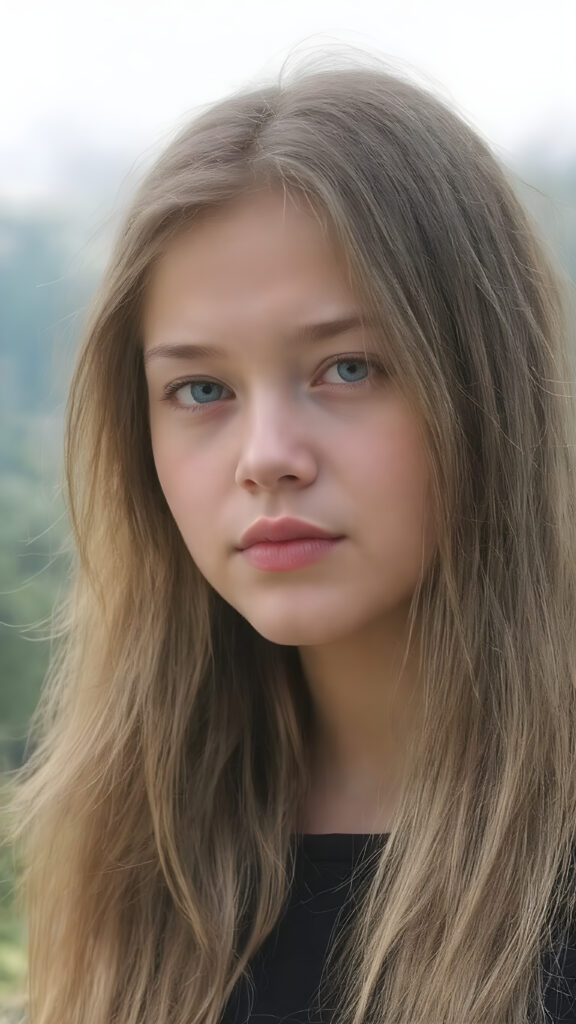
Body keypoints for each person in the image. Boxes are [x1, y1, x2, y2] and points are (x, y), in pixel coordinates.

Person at [6, 53, 576, 1024]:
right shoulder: (134, 839)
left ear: (485, 385)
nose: (267, 457)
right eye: (201, 390)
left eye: (346, 368)